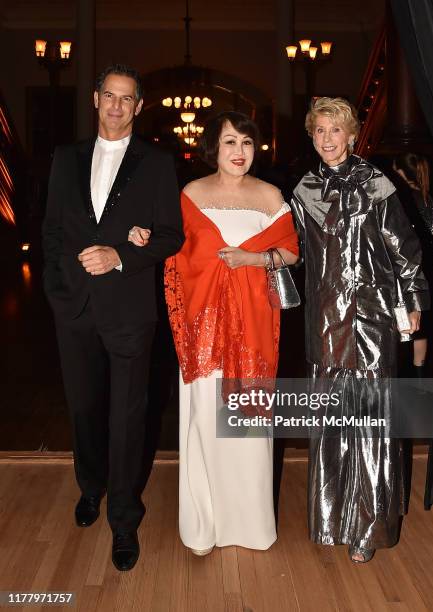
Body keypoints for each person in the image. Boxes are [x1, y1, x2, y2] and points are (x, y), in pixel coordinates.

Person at [129, 111, 299, 554]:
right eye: (229, 142)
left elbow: (291, 254)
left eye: (246, 142)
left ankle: (250, 525)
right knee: (206, 422)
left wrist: (255, 260)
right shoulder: (190, 195)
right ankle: (204, 526)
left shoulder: (269, 196)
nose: (238, 151)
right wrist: (146, 237)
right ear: (214, 148)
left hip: (253, 328)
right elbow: (175, 249)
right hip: (203, 330)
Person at [42, 64, 184, 571]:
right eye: (110, 96)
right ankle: (90, 486)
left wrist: (121, 255)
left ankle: (124, 520)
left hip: (128, 310)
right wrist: (57, 291)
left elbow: (171, 236)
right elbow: (53, 230)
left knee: (127, 417)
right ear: (96, 99)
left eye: (127, 99)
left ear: (139, 106)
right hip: (74, 308)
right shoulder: (65, 158)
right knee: (83, 408)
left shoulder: (157, 163)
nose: (117, 106)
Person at [290, 97, 430, 563]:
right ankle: (332, 520)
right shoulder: (305, 189)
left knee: (370, 424)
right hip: (325, 320)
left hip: (372, 319)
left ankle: (368, 528)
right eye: (319, 131)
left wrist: (412, 304)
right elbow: (287, 246)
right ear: (312, 136)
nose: (327, 139)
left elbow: (405, 249)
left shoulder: (376, 185)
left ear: (351, 136)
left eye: (336, 131)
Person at [393, 153, 433, 377]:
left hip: (406, 273)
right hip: (427, 273)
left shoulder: (400, 200)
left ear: (400, 172)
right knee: (421, 333)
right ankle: (420, 385)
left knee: (404, 330)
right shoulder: (429, 200)